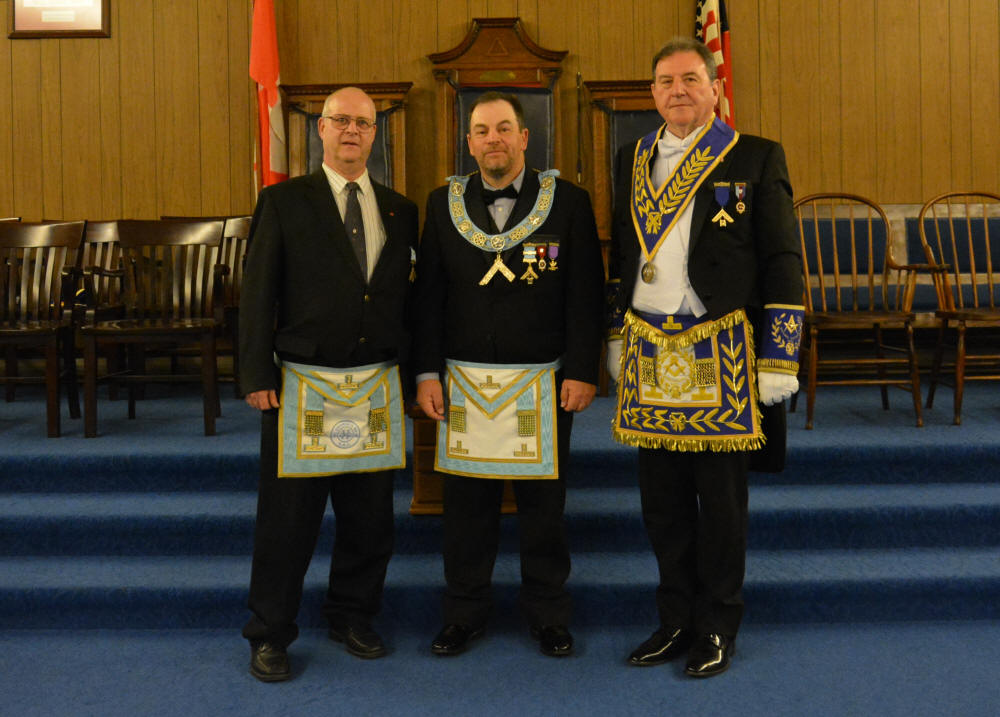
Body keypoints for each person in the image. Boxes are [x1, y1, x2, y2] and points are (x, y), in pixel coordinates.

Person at [605, 38, 803, 678]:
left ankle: (717, 624)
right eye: (666, 81)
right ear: (652, 93)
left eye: (691, 78)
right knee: (660, 503)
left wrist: (779, 354)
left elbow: (782, 258)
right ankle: (674, 620)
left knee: (719, 504)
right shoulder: (631, 157)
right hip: (647, 348)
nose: (678, 90)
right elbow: (623, 254)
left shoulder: (755, 155)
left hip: (723, 349)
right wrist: (614, 332)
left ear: (714, 88)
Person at [413, 91, 604, 658]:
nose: (492, 139)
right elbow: (428, 298)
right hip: (464, 385)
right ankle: (463, 614)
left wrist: (583, 370)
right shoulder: (441, 203)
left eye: (502, 128)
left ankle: (548, 615)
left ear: (524, 137)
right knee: (465, 511)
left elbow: (585, 294)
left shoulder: (568, 202)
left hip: (542, 384)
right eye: (481, 131)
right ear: (469, 143)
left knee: (544, 511)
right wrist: (425, 373)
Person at [239, 87, 418, 682]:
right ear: (321, 128)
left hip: (375, 386)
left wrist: (414, 372)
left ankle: (353, 615)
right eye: (340, 120)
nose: (351, 131)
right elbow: (257, 293)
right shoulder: (284, 201)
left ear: (374, 133)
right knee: (288, 524)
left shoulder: (399, 209)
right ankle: (270, 632)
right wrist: (255, 371)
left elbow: (407, 302)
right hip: (301, 386)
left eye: (363, 123)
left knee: (370, 520)